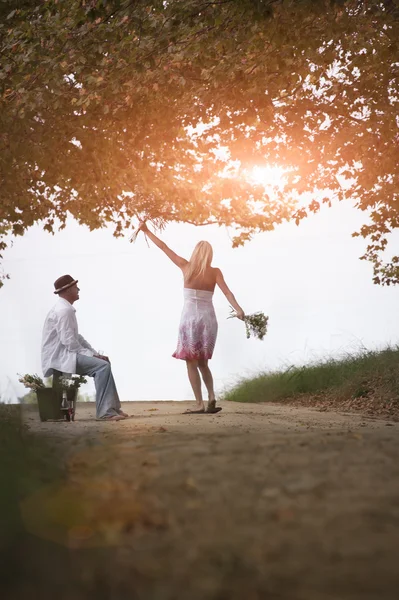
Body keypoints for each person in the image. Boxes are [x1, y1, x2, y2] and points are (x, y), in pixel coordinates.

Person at [137, 223, 245, 414]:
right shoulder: (215, 272)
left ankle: (199, 404)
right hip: (208, 320)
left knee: (191, 362)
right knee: (203, 362)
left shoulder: (185, 266)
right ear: (210, 255)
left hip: (190, 320)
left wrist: (146, 230)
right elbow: (227, 293)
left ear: (195, 253)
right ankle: (211, 396)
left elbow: (163, 247)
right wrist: (238, 310)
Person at [41, 274, 128, 421]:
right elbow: (68, 341)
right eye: (75, 287)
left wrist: (93, 353)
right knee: (102, 367)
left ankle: (112, 408)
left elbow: (76, 337)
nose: (78, 289)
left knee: (103, 363)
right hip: (62, 356)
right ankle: (105, 413)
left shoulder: (65, 308)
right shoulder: (64, 311)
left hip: (67, 353)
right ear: (68, 290)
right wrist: (92, 356)